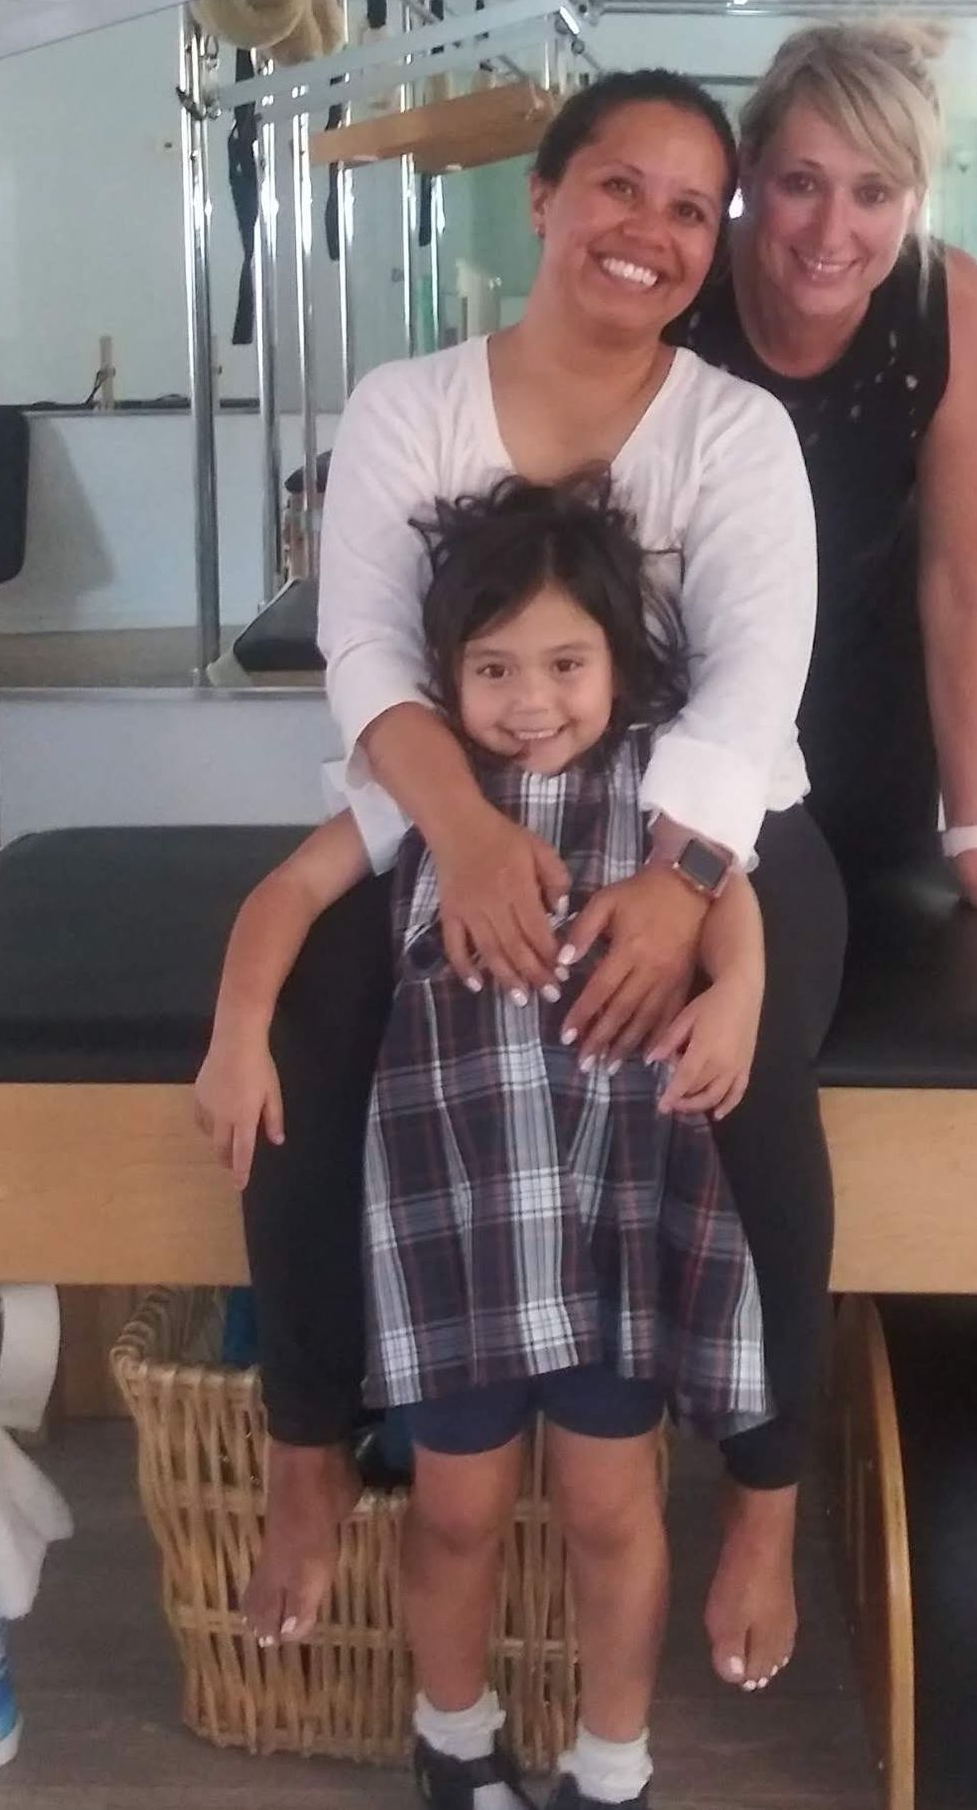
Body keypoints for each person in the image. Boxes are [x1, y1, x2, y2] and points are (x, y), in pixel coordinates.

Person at [229, 71, 845, 1700]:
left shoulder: (735, 433)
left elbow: (753, 685)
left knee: (748, 1088)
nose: (651, 230)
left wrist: (680, 894)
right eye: (619, 188)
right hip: (449, 804)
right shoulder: (406, 406)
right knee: (321, 1024)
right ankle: (307, 1437)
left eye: (690, 209)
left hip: (706, 824)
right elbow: (361, 648)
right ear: (548, 200)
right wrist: (471, 834)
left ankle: (769, 1497)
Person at [197, 475, 767, 1810]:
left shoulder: (655, 781)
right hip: (455, 1212)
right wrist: (236, 1034)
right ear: (444, 675)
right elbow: (285, 893)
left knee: (609, 1511)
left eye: (566, 663)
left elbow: (729, 890)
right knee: (453, 1512)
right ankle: (455, 1747)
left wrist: (735, 993)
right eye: (493, 666)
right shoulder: (421, 799)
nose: (530, 699)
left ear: (619, 661)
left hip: (613, 1200)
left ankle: (610, 1766)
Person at [676, 18, 977, 913]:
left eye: (874, 192)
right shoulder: (686, 290)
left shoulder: (947, 300)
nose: (833, 229)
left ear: (913, 197)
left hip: (868, 718)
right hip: (687, 733)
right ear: (749, 172)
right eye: (801, 183)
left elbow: (958, 580)